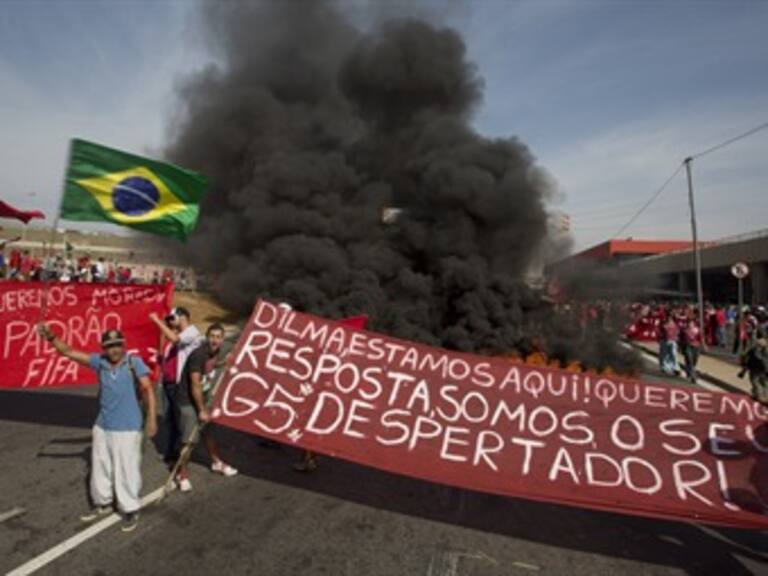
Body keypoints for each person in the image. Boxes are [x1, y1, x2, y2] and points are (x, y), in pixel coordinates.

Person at [36, 324, 157, 532]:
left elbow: (147, 389)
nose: (114, 350)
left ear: (123, 345)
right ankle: (102, 502)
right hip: (103, 425)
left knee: (126, 469)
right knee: (100, 466)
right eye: (109, 346)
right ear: (104, 348)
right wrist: (51, 337)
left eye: (117, 345)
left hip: (127, 427)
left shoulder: (133, 362)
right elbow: (68, 352)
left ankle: (130, 508)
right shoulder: (99, 362)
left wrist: (152, 419)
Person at [175, 323, 238, 491]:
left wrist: (223, 363)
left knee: (209, 432)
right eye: (212, 336)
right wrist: (201, 410)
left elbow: (209, 366)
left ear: (222, 339)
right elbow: (195, 384)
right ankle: (182, 474)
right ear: (206, 337)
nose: (215, 340)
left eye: (218, 337)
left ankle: (217, 462)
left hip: (202, 399)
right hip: (188, 400)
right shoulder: (198, 355)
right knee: (189, 440)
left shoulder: (214, 352)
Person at [150, 307, 202, 466]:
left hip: (179, 384)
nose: (170, 322)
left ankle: (180, 454)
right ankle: (171, 452)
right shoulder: (176, 334)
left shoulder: (192, 332)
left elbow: (175, 339)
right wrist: (163, 332)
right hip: (167, 382)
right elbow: (162, 354)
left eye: (172, 318)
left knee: (180, 419)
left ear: (182, 317)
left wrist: (157, 321)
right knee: (169, 419)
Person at [739, 331, 768, 404]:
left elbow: (745, 354)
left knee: (755, 381)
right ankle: (765, 395)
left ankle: (760, 397)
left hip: (755, 366)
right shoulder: (766, 343)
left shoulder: (755, 343)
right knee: (764, 382)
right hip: (765, 367)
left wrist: (743, 365)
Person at [681, 318, 702, 383]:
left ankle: (688, 370)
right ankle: (693, 377)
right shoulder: (684, 331)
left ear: (694, 324)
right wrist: (681, 348)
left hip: (696, 347)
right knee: (690, 361)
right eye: (689, 323)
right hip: (688, 347)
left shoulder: (697, 330)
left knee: (694, 361)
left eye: (692, 323)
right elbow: (681, 340)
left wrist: (703, 345)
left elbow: (701, 338)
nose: (690, 324)